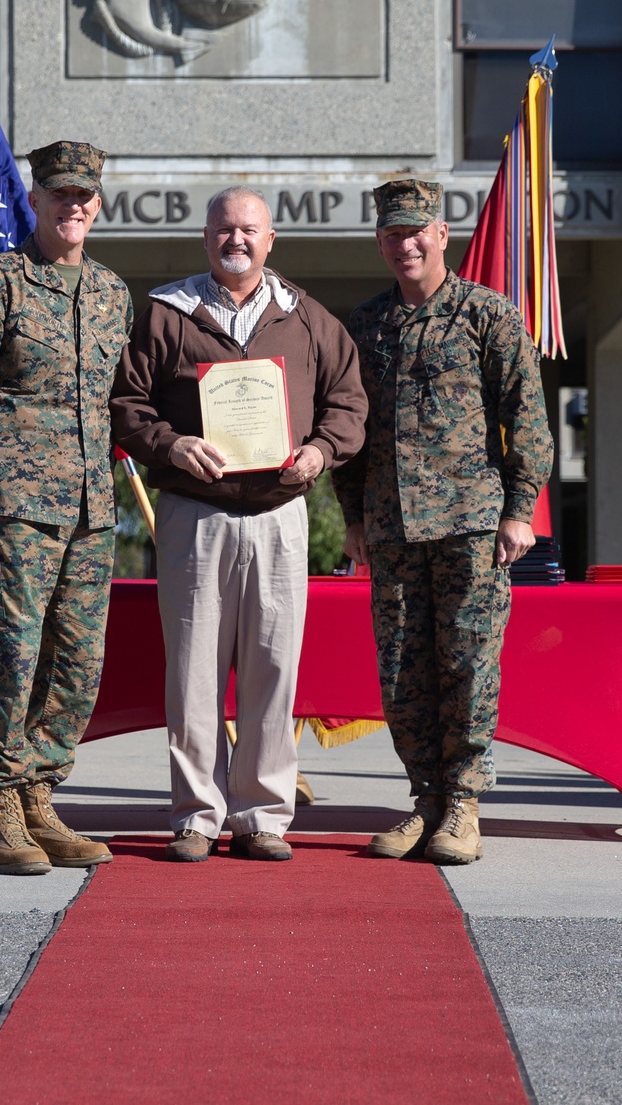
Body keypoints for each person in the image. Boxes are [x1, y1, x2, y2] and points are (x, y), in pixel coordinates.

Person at [110, 187, 367, 862]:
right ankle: (197, 814)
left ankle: (262, 816)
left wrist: (320, 450)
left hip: (280, 514)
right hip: (196, 515)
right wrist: (171, 445)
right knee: (193, 674)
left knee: (273, 669)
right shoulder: (167, 315)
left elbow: (348, 400)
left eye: (249, 231)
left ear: (270, 239)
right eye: (225, 230)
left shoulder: (307, 317)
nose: (237, 241)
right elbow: (126, 404)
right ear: (206, 238)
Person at [0, 141, 132, 876]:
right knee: (8, 659)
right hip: (9, 510)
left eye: (85, 196)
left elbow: (119, 405)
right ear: (35, 201)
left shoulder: (111, 293)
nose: (72, 206)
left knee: (77, 664)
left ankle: (41, 794)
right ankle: (3, 810)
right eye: (59, 195)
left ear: (98, 205)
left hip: (89, 513)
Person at [334, 178, 553, 865]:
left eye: (416, 232)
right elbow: (352, 430)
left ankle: (463, 806)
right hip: (392, 530)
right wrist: (352, 520)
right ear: (380, 241)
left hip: (470, 526)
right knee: (401, 673)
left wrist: (520, 511)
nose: (405, 244)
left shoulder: (488, 316)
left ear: (441, 234)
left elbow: (529, 421)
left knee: (467, 666)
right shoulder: (366, 325)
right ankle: (424, 802)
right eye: (393, 234)